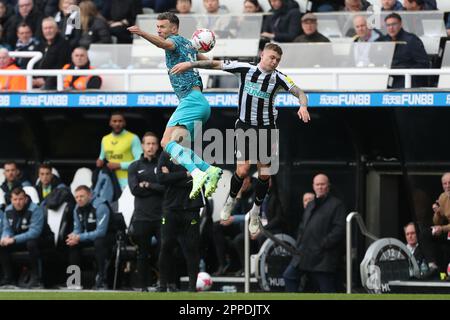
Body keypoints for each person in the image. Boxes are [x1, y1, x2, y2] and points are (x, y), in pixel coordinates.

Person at [170, 42, 310, 236]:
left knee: (264, 175)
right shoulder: (245, 69)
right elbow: (215, 64)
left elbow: (300, 93)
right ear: (262, 55)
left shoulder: (279, 78)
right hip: (245, 126)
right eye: (272, 57)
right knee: (243, 170)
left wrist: (302, 105)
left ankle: (255, 212)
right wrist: (189, 65)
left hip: (267, 129)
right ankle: (231, 200)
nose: (274, 62)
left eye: (278, 59)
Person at [127, 12, 223, 201]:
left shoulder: (176, 41)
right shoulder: (188, 44)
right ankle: (210, 170)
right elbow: (208, 63)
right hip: (199, 102)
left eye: (162, 27)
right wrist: (194, 60)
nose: (159, 30)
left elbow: (164, 44)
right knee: (174, 146)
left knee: (167, 144)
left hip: (191, 101)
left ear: (174, 28)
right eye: (157, 27)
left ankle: (197, 173)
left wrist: (142, 33)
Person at [283, 174, 346, 293]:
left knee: (326, 288)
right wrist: (299, 244)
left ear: (328, 186)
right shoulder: (311, 204)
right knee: (289, 276)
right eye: (317, 184)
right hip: (304, 253)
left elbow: (339, 230)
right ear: (313, 186)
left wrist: (323, 244)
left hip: (323, 257)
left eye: (323, 184)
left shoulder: (336, 204)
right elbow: (303, 226)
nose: (320, 187)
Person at [156, 150, 205, 292]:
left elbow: (199, 178)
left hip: (191, 207)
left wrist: (171, 176)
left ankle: (191, 287)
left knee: (191, 248)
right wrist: (185, 174)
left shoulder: (196, 154)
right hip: (170, 208)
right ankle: (162, 285)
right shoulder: (166, 154)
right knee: (166, 246)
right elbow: (160, 178)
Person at [127, 132, 164, 291]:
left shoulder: (163, 164)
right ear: (142, 146)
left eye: (153, 144)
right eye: (148, 144)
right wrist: (155, 187)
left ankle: (165, 284)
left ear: (158, 146)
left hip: (161, 216)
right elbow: (135, 189)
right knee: (143, 254)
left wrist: (148, 185)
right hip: (142, 217)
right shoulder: (134, 166)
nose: (151, 147)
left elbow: (166, 188)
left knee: (165, 252)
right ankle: (143, 287)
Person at [0, 187, 54, 288]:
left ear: (25, 199)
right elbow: (7, 228)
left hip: (43, 240)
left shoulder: (35, 209)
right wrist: (4, 238)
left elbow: (34, 232)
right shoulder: (8, 210)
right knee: (2, 245)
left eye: (20, 199)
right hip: (21, 240)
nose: (18, 202)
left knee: (31, 243)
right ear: (11, 200)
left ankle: (37, 279)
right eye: (15, 200)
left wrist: (14, 239)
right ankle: (9, 279)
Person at [66, 185, 114, 290]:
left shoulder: (100, 206)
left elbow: (101, 232)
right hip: (91, 235)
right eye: (76, 197)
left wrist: (79, 237)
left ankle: (102, 280)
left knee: (99, 242)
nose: (79, 199)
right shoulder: (77, 208)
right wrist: (74, 236)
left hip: (108, 236)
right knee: (72, 244)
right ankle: (74, 280)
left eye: (81, 196)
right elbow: (78, 228)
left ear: (90, 195)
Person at [380, 13, 430, 88]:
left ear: (400, 24)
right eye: (388, 25)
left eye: (394, 24)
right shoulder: (384, 40)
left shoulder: (411, 40)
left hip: (408, 80)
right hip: (388, 78)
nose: (391, 28)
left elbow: (424, 63)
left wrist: (405, 71)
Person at [96, 112, 142, 191]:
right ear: (110, 123)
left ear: (124, 122)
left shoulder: (133, 138)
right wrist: (99, 161)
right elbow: (102, 157)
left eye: (120, 121)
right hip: (109, 181)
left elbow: (140, 161)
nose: (117, 123)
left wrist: (120, 165)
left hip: (127, 181)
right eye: (114, 121)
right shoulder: (105, 139)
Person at [34, 17, 71, 89]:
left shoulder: (64, 45)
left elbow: (61, 66)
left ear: (56, 29)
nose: (48, 31)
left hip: (54, 83)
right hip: (35, 81)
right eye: (45, 28)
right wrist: (33, 79)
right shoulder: (39, 45)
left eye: (50, 28)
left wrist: (45, 80)